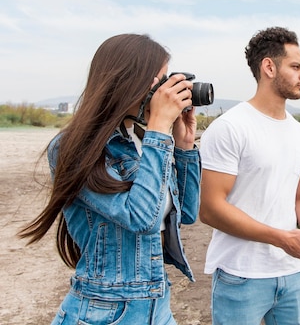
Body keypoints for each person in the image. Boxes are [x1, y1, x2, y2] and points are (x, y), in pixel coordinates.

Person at [17, 33, 201, 324]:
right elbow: (142, 218)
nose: (166, 89)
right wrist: (158, 130)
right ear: (126, 80)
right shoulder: (73, 147)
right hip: (104, 312)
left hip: (158, 307)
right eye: (159, 79)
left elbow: (186, 215)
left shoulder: (142, 141)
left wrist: (185, 147)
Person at [198, 26, 300, 324]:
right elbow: (210, 209)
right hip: (240, 275)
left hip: (294, 275)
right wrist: (279, 238)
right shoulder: (229, 127)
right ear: (269, 67)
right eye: (296, 66)